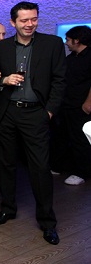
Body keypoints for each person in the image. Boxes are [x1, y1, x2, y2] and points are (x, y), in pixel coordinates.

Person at [0, 1, 66, 245]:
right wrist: (3, 80)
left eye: (34, 19)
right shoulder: (1, 47)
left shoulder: (52, 44)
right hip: (7, 112)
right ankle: (8, 208)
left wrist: (49, 111)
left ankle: (47, 222)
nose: (30, 24)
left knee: (40, 168)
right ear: (13, 22)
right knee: (5, 164)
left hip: (36, 113)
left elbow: (60, 81)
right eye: (24, 20)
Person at [50, 25, 91, 185]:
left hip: (81, 106)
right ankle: (60, 166)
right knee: (62, 137)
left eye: (68, 40)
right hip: (66, 104)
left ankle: (82, 172)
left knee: (80, 139)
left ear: (77, 40)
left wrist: (88, 103)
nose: (66, 43)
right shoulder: (71, 58)